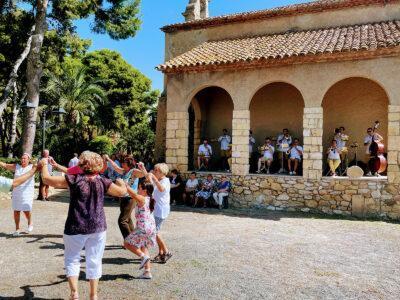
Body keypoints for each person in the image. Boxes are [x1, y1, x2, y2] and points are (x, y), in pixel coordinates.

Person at [40, 151, 127, 300]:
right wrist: (121, 182)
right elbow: (122, 192)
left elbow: (47, 179)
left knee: (72, 258)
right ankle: (93, 295)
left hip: (75, 225)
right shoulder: (103, 181)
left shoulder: (74, 179)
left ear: (81, 164)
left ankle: (74, 293)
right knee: (94, 260)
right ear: (98, 165)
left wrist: (43, 165)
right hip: (97, 227)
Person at [138, 162, 172, 264]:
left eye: (156, 170)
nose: (154, 171)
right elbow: (148, 176)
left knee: (155, 232)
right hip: (156, 209)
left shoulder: (165, 181)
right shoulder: (159, 179)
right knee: (156, 231)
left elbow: (161, 189)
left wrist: (154, 178)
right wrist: (143, 168)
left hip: (160, 210)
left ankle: (166, 251)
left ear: (162, 172)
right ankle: (161, 253)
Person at [105, 154, 144, 240]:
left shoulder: (134, 171)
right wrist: (108, 159)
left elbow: (143, 174)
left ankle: (129, 241)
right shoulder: (124, 171)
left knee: (122, 220)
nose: (122, 164)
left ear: (129, 164)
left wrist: (142, 167)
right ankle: (135, 238)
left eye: (124, 163)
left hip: (131, 198)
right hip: (123, 197)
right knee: (128, 219)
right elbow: (115, 166)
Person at [124, 180, 157, 280]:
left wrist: (126, 185)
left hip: (144, 227)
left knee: (127, 243)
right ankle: (147, 272)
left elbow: (133, 194)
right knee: (144, 246)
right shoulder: (149, 198)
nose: (138, 189)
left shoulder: (142, 198)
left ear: (145, 190)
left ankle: (143, 256)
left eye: (139, 188)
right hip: (151, 227)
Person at [0, 153, 36, 236]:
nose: (23, 160)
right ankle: (17, 229)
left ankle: (30, 222)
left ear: (28, 160)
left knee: (26, 210)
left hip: (27, 192)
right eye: (22, 158)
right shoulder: (16, 166)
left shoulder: (32, 167)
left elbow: (40, 166)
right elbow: (5, 165)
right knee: (16, 211)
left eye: (25, 158)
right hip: (17, 191)